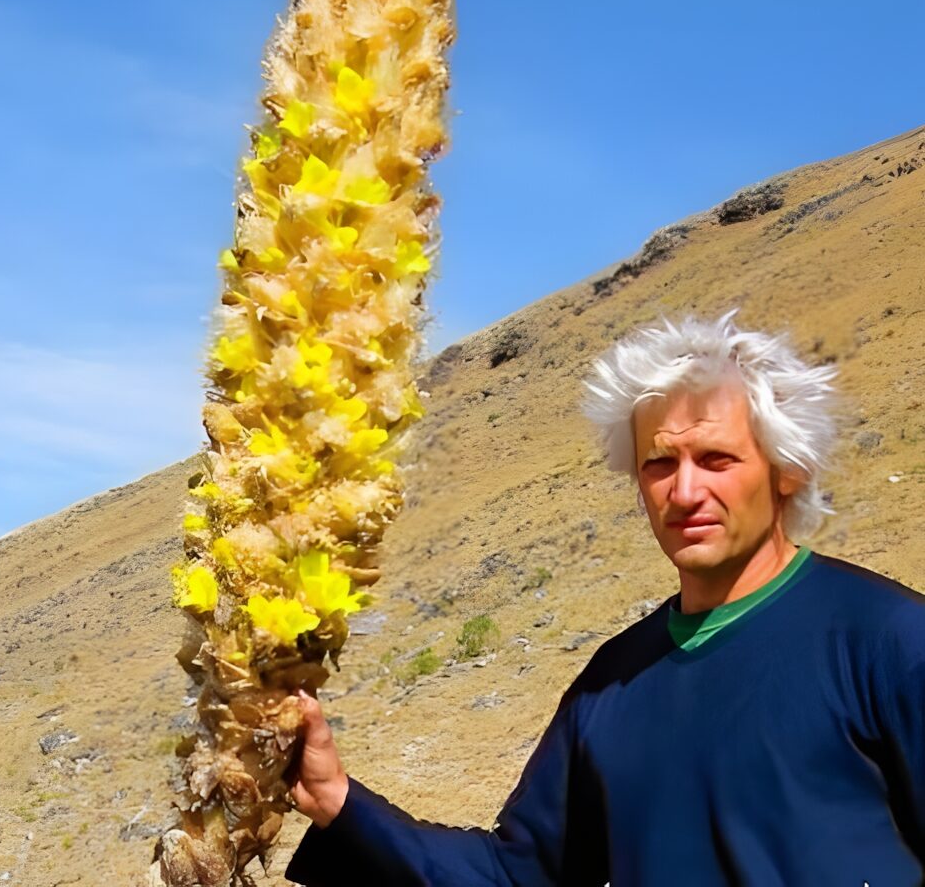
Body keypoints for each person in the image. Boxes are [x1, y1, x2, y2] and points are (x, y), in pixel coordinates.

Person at [284, 311, 925, 885]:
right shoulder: (609, 687)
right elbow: (517, 874)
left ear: (787, 468)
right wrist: (339, 800)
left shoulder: (890, 643)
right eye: (660, 464)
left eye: (717, 458)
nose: (684, 492)